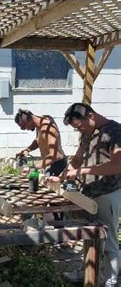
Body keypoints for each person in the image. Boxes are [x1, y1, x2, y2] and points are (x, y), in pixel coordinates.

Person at [48, 103, 121, 286]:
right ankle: (85, 271)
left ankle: (109, 281)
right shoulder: (88, 134)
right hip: (89, 194)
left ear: (91, 116)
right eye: (76, 128)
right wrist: (62, 176)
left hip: (108, 193)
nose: (79, 129)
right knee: (89, 234)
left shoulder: (115, 131)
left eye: (80, 126)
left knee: (108, 238)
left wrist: (82, 171)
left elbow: (118, 165)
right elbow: (77, 159)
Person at [14, 109, 67, 176]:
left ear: (29, 120)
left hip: (57, 165)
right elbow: (39, 139)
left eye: (23, 127)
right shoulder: (39, 123)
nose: (25, 129)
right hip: (48, 163)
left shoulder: (47, 128)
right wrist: (28, 150)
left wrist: (32, 168)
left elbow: (53, 156)